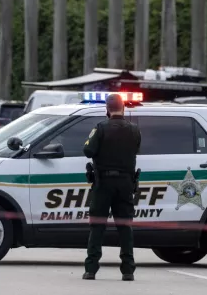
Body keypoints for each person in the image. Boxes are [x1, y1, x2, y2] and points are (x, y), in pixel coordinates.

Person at [81, 93, 142, 281]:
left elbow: (88, 150)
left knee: (97, 226)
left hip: (103, 183)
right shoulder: (134, 130)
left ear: (107, 109)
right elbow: (136, 148)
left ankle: (91, 269)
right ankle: (128, 270)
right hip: (125, 184)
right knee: (125, 227)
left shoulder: (100, 128)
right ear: (123, 108)